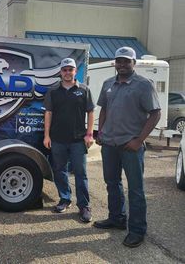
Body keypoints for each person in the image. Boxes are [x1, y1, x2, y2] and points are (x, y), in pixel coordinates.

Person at [93, 47, 161, 248]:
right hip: (110, 145)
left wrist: (139, 140)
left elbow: (155, 113)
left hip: (131, 146)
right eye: (119, 61)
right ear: (115, 62)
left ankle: (137, 230)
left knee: (136, 190)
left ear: (134, 63)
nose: (122, 65)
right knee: (112, 182)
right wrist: (101, 132)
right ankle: (116, 218)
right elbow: (104, 108)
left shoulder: (143, 85)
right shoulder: (108, 84)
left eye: (126, 61)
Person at [43, 57, 95, 223]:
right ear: (61, 72)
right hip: (57, 139)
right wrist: (47, 135)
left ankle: (84, 206)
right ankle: (65, 199)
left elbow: (91, 112)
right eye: (64, 70)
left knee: (81, 173)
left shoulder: (84, 90)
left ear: (75, 71)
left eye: (70, 70)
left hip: (78, 140)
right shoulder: (53, 91)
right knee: (60, 170)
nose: (67, 73)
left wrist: (89, 134)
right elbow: (48, 113)